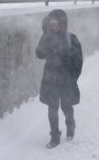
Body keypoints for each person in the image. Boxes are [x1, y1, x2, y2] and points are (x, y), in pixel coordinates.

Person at [35, 9, 83, 149]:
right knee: (52, 108)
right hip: (51, 79)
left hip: (67, 79)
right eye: (51, 24)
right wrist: (44, 39)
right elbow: (38, 54)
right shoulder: (46, 37)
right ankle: (55, 136)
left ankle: (70, 125)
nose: (53, 26)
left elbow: (78, 60)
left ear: (62, 24)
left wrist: (73, 77)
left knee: (66, 106)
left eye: (55, 24)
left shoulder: (71, 38)